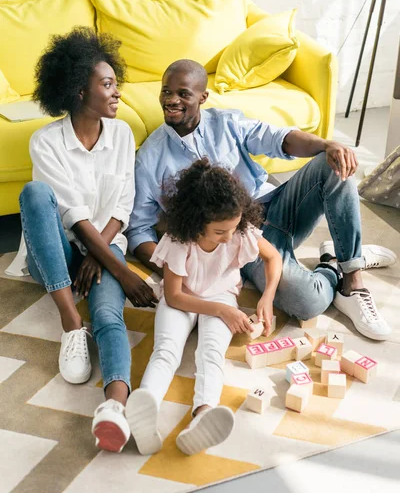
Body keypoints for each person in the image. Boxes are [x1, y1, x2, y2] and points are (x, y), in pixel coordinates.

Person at [126, 59, 396, 342]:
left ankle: (352, 278)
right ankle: (332, 263)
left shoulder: (227, 122)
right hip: (237, 240)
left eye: (183, 93)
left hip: (276, 205)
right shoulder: (150, 158)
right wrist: (177, 270)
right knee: (307, 303)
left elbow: (280, 139)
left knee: (336, 161)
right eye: (166, 92)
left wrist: (327, 145)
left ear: (203, 97)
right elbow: (138, 230)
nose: (171, 100)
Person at [8, 27, 157, 453]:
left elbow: (122, 205)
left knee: (111, 318)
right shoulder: (46, 142)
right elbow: (70, 214)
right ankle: (71, 321)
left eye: (116, 83)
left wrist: (106, 256)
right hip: (52, 252)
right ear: (77, 91)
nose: (117, 93)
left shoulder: (123, 134)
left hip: (104, 245)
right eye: (107, 84)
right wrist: (122, 270)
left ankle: (113, 407)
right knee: (35, 194)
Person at [125, 158, 282, 455]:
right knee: (166, 351)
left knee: (211, 353)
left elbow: (273, 257)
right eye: (220, 232)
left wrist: (267, 297)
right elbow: (173, 296)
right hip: (182, 298)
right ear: (197, 223)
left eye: (233, 228)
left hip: (221, 296)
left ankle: (203, 415)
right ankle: (145, 407)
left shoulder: (239, 230)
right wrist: (224, 311)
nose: (229, 237)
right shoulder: (178, 240)